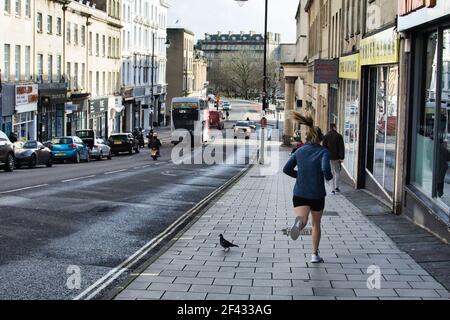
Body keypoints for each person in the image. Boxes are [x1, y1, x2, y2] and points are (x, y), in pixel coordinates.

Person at [283, 113, 333, 264]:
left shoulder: (299, 151)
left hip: (300, 192)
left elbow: (286, 169)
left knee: (303, 219)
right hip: (317, 193)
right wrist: (328, 177)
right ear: (320, 138)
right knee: (316, 224)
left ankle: (298, 225)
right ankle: (314, 255)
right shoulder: (323, 151)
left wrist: (300, 175)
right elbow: (325, 168)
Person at [323, 123, 345, 195]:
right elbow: (342, 148)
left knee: (331, 172)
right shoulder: (339, 136)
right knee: (337, 172)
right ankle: (337, 187)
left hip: (328, 157)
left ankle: (332, 189)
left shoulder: (326, 136)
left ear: (329, 128)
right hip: (337, 158)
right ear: (335, 127)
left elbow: (324, 148)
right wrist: (341, 157)